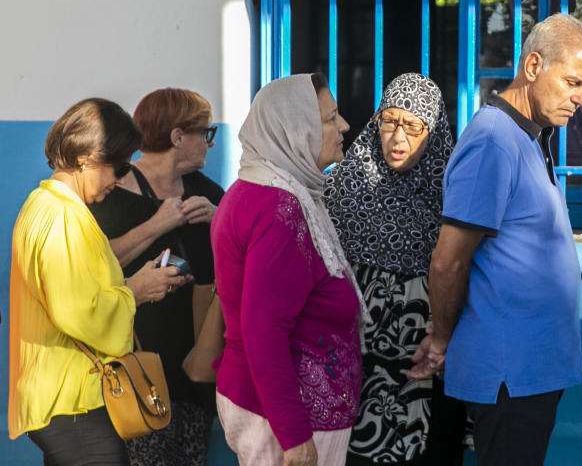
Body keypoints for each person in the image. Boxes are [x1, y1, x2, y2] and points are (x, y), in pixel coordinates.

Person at [409, 13, 582, 465]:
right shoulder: (494, 139)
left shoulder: (531, 135)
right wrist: (441, 338)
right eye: (574, 82)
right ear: (533, 66)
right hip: (508, 372)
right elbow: (448, 262)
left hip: (532, 369)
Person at [8, 98, 187, 465]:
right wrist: (136, 291)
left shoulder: (49, 206)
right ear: (86, 157)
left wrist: (139, 282)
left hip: (67, 398)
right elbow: (78, 312)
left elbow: (79, 290)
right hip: (74, 400)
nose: (120, 180)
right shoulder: (62, 216)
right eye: (119, 167)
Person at [211, 73, 365, 466]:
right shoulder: (280, 208)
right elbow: (263, 331)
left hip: (283, 408)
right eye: (330, 118)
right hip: (288, 417)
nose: (344, 125)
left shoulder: (258, 190)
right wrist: (294, 437)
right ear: (296, 131)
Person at [324, 73, 465, 465]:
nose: (398, 137)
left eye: (413, 126)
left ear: (433, 132)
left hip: (429, 363)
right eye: (389, 121)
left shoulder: (454, 197)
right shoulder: (341, 190)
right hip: (359, 368)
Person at [88, 88, 224, 466]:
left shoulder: (206, 191)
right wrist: (156, 224)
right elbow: (93, 266)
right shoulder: (113, 191)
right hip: (140, 365)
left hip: (197, 360)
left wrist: (220, 219)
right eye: (205, 134)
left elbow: (241, 254)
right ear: (178, 137)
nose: (210, 145)